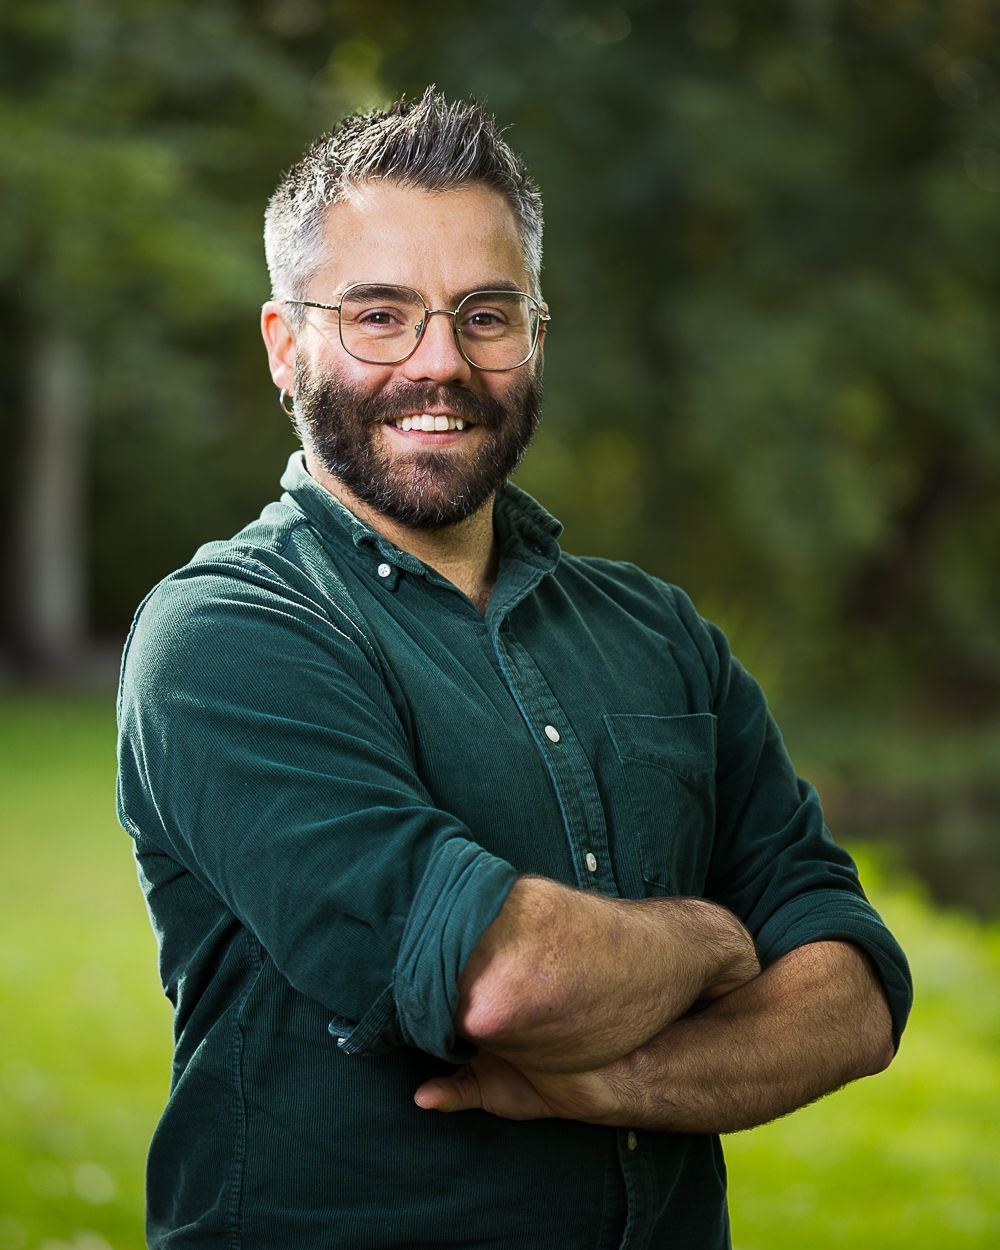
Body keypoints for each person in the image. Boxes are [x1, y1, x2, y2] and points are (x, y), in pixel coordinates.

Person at [116, 88, 912, 1250]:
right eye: (378, 315)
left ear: (536, 333)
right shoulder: (227, 632)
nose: (439, 362)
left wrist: (602, 1081)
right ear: (287, 345)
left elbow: (851, 999)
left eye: (485, 314)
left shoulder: (658, 630)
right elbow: (504, 981)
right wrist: (714, 939)